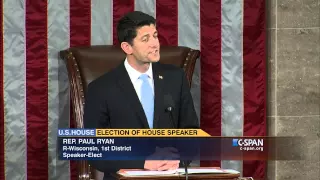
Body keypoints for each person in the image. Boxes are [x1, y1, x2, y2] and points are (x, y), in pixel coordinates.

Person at [83, 11, 199, 180]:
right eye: (145, 39)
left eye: (155, 36)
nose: (155, 44)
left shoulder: (175, 78)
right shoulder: (101, 88)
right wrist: (142, 162)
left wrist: (178, 158)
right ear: (127, 47)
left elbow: (191, 134)